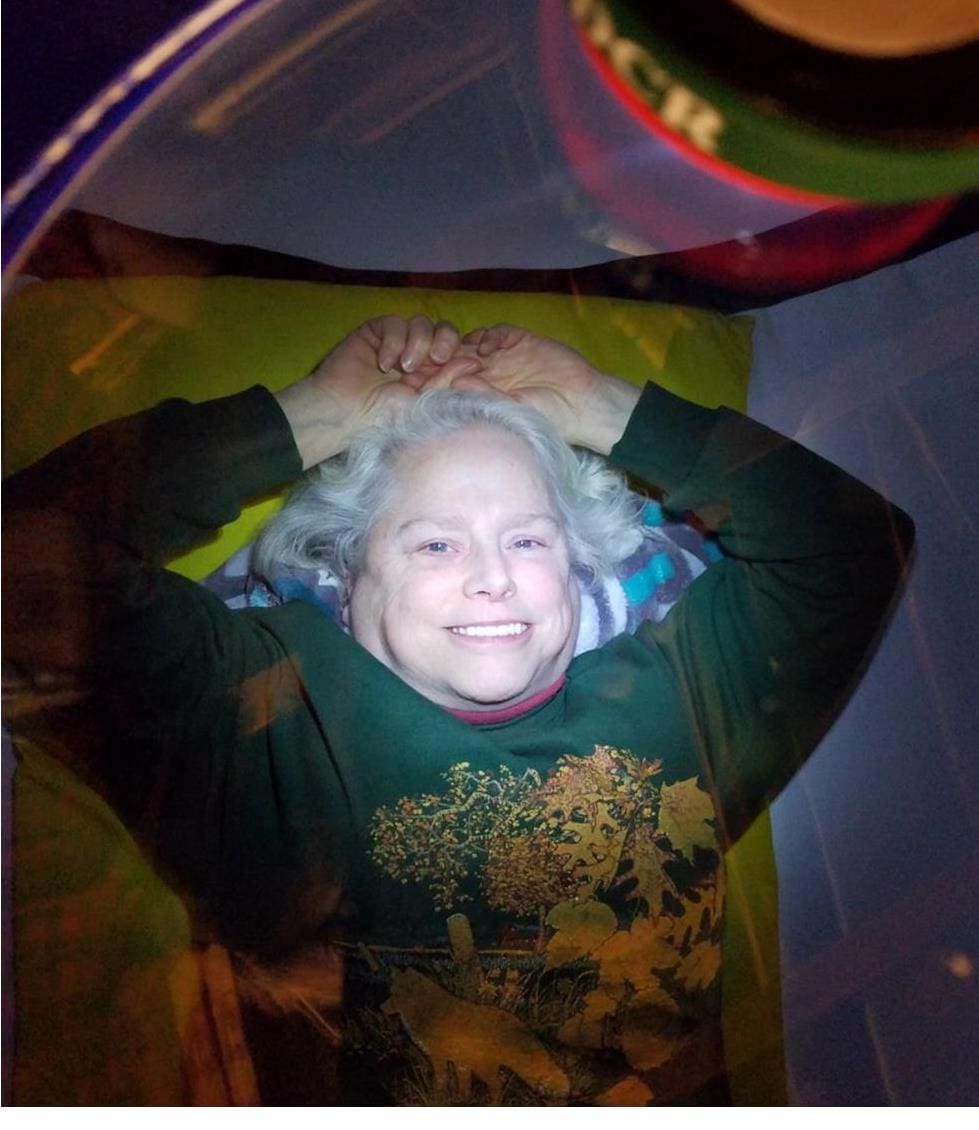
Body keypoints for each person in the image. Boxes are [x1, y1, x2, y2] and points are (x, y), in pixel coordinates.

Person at [3, 314, 914, 1105]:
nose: (492, 578)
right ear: (347, 572)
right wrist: (313, 416)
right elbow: (25, 556)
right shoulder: (253, 708)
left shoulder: (688, 696)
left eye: (529, 540)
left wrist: (600, 406)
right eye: (435, 544)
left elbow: (854, 544)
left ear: (576, 567)